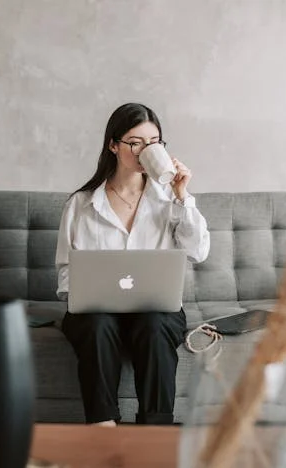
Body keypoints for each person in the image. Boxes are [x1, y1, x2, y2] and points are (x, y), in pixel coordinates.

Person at [55, 103, 210, 426]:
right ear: (113, 145)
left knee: (155, 325)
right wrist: (85, 294)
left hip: (154, 310)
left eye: (154, 142)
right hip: (96, 313)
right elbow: (66, 272)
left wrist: (183, 196)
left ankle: (155, 430)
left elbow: (198, 252)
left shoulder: (169, 199)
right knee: (97, 325)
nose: (145, 151)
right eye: (135, 142)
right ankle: (103, 427)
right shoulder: (81, 204)